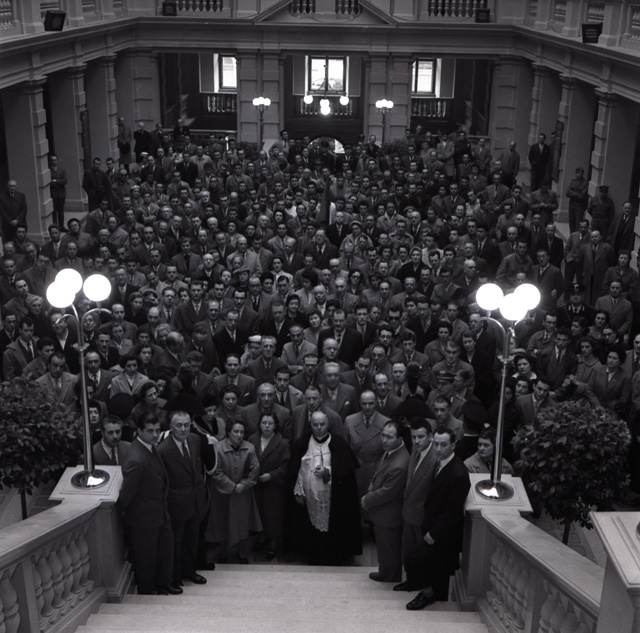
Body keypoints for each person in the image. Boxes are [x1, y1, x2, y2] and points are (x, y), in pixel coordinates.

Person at [396, 427, 471, 610]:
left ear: (453, 445)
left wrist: (434, 533)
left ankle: (427, 594)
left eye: (443, 444)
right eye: (436, 444)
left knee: (415, 558)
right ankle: (436, 596)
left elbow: (453, 511)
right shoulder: (441, 463)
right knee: (436, 569)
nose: (438, 448)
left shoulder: (459, 473)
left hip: (442, 533)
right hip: (432, 525)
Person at [118, 412, 181, 595]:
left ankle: (164, 582)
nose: (155, 435)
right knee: (146, 556)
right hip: (143, 517)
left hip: (159, 511)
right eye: (150, 431)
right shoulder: (136, 458)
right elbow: (126, 494)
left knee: (164, 550)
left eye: (157, 430)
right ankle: (147, 588)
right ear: (139, 431)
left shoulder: (151, 448)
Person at [289, 411, 362, 565]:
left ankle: (333, 555)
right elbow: (295, 471)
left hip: (333, 497)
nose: (319, 427)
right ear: (310, 425)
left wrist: (327, 473)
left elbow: (345, 474)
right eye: (315, 424)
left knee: (334, 525)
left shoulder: (340, 444)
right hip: (309, 497)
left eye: (322, 424)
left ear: (328, 424)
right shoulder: (302, 444)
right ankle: (313, 555)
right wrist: (298, 491)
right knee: (310, 527)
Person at [157, 409, 210, 587]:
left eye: (187, 425)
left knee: (192, 540)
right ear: (171, 427)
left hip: (196, 501)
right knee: (176, 542)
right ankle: (175, 576)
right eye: (179, 425)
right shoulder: (163, 450)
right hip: (176, 503)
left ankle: (190, 571)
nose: (183, 429)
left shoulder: (195, 440)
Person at [206, 419, 261, 563]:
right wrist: (233, 487)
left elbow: (255, 469)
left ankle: (242, 554)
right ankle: (223, 553)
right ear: (228, 432)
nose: (239, 435)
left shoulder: (249, 448)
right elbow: (216, 472)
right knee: (222, 523)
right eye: (236, 431)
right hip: (222, 494)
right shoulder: (218, 448)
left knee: (244, 523)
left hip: (243, 493)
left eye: (242, 432)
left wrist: (244, 484)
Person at [362, 420, 410, 583]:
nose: (384, 440)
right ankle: (385, 571)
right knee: (384, 547)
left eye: (389, 437)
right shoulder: (391, 451)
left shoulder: (400, 464)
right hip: (384, 512)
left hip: (389, 513)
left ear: (400, 439)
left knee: (389, 547)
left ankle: (390, 576)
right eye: (383, 435)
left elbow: (387, 492)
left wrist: (367, 499)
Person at [248, 412, 290, 560]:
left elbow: (285, 467)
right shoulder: (252, 440)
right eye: (264, 423)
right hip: (257, 484)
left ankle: (273, 543)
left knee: (273, 515)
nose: (267, 426)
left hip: (273, 486)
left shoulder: (282, 443)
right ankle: (261, 537)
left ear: (275, 425)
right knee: (259, 513)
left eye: (270, 423)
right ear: (259, 424)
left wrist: (271, 476)